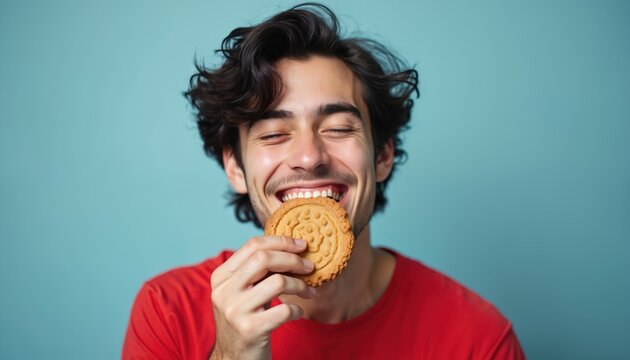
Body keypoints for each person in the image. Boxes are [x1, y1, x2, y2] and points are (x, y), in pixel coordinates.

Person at [123, 3, 525, 359]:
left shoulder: (479, 339)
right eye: (274, 134)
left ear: (382, 155)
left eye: (336, 128)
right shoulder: (167, 313)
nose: (309, 157)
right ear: (236, 168)